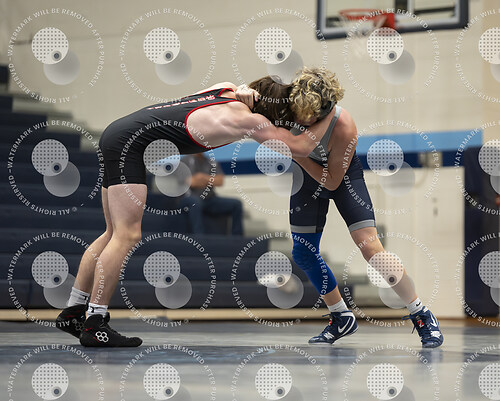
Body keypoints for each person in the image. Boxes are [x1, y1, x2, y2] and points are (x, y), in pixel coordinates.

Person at [55, 77, 335, 347]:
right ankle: (95, 322)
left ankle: (73, 312)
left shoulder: (226, 89)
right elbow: (299, 147)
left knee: (112, 233)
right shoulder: (250, 121)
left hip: (117, 133)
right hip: (130, 145)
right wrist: (331, 113)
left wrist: (248, 92)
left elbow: (236, 94)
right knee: (126, 236)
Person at [278, 67, 444, 348]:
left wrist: (298, 153)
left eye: (310, 116)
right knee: (303, 253)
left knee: (371, 248)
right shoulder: (284, 103)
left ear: (325, 109)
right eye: (299, 113)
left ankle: (420, 313)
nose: (303, 120)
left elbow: (332, 181)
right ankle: (341, 316)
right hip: (305, 179)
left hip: (341, 178)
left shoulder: (343, 124)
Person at [179, 153, 243, 235]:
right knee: (195, 202)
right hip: (190, 198)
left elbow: (220, 181)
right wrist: (209, 180)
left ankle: (237, 238)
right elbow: (190, 182)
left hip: (209, 199)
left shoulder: (211, 162)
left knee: (236, 204)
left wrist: (203, 178)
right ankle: (199, 238)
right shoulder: (184, 161)